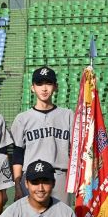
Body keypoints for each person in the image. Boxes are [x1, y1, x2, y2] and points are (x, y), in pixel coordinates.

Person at [11, 66, 73, 204]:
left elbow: (77, 150)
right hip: (32, 177)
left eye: (48, 83)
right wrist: (17, 185)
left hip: (60, 176)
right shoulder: (22, 118)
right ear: (32, 87)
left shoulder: (68, 115)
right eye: (39, 84)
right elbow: (17, 155)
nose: (44, 88)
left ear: (55, 86)